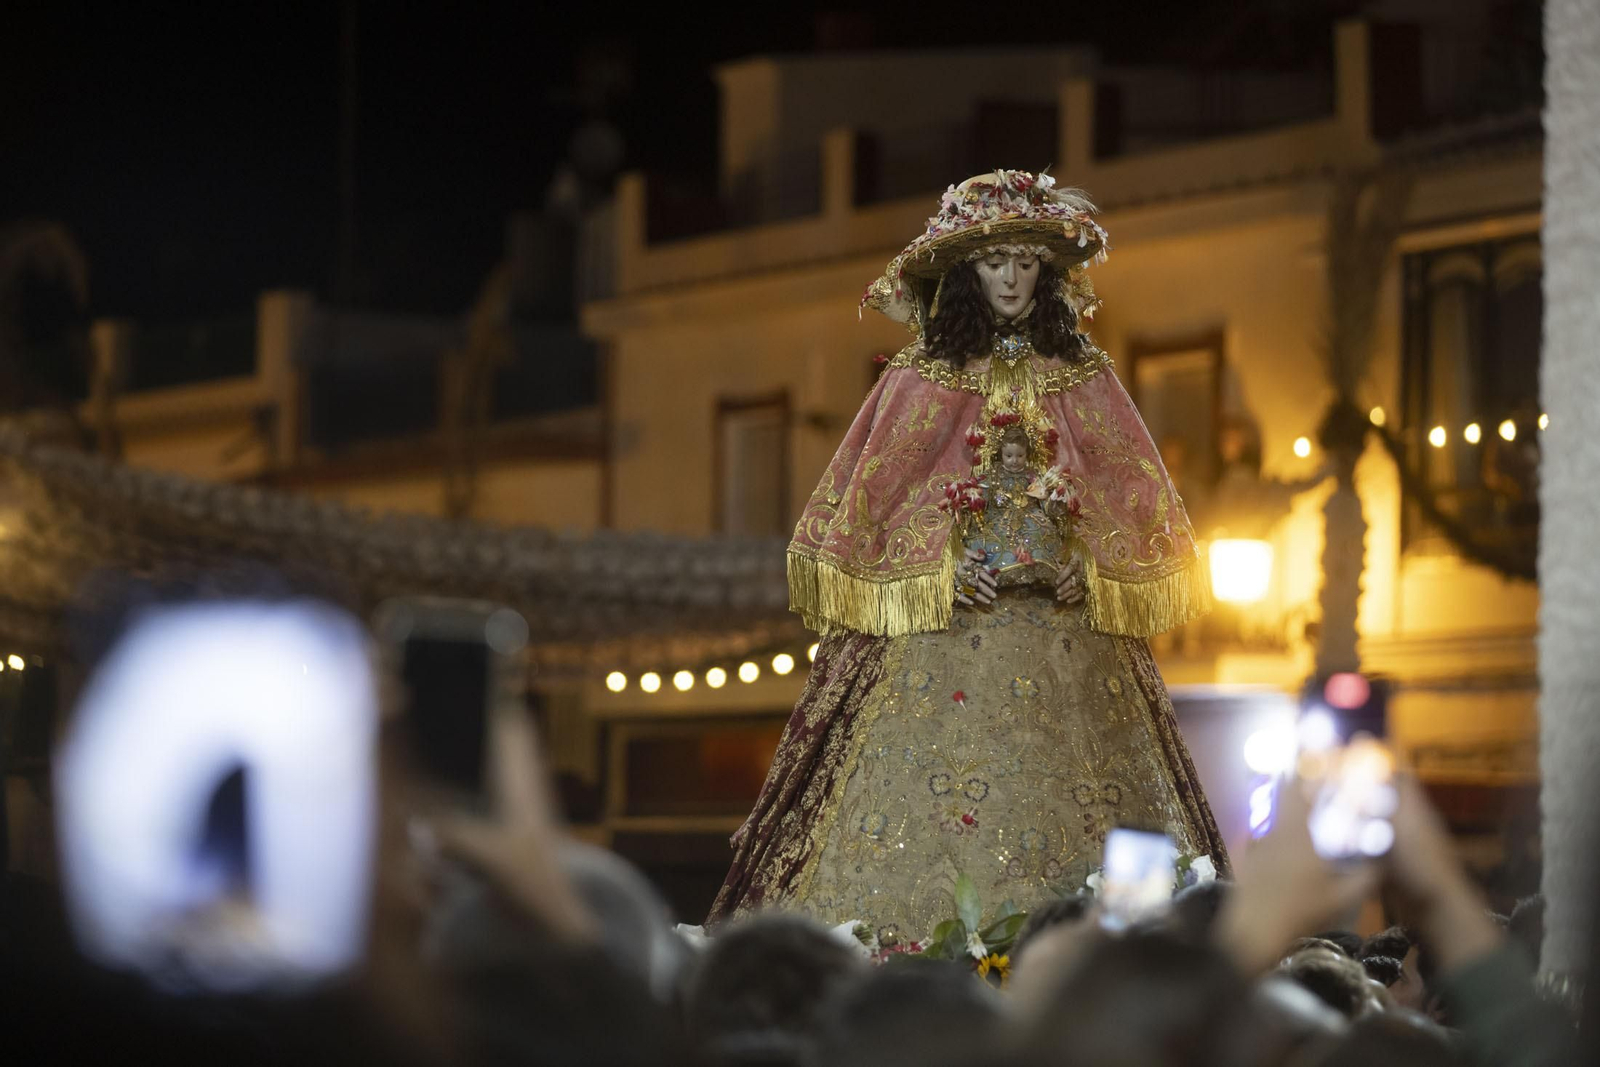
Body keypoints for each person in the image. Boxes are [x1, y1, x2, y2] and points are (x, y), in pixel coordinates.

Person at [709, 171, 1227, 944]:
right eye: (995, 262)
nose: (1013, 279)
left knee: (1113, 827)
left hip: (1072, 645)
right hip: (940, 641)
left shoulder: (1085, 378)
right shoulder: (919, 381)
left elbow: (1139, 505)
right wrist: (941, 568)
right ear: (965, 274)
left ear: (1047, 272)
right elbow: (867, 511)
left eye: (1026, 261)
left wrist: (1082, 567)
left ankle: (1128, 968)